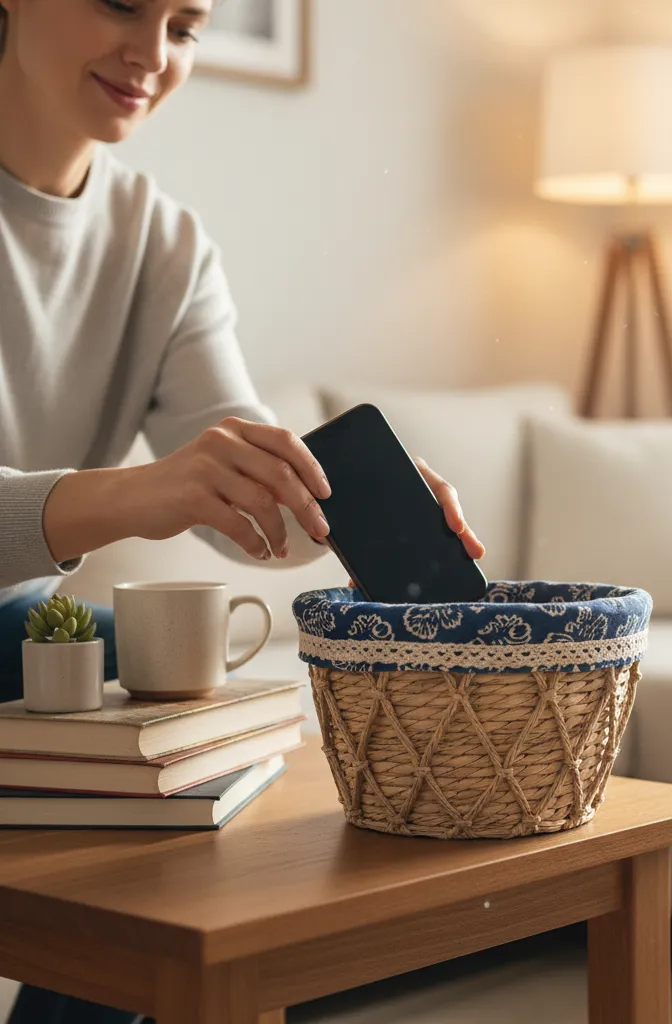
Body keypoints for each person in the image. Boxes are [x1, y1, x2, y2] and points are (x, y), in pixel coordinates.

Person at [0, 2, 485, 1021]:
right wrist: (138, 493)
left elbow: (235, 500)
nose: (154, 54)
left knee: (198, 751)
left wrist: (335, 497)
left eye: (185, 23)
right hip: (29, 635)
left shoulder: (161, 242)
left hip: (27, 641)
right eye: (123, 3)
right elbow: (164, 490)